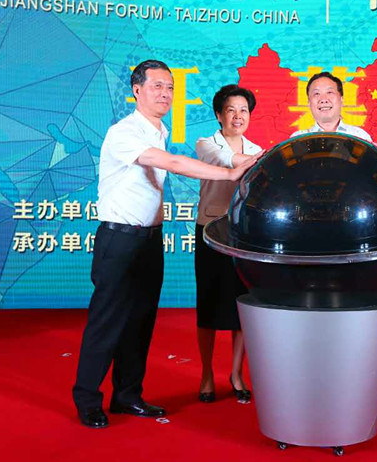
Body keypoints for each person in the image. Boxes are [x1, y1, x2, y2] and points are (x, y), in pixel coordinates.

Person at [72, 60, 258, 429]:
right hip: (119, 239)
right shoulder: (125, 132)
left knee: (141, 321)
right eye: (157, 86)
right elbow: (171, 162)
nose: (165, 93)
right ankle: (88, 399)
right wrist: (228, 173)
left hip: (150, 240)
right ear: (136, 90)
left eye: (170, 87)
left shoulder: (159, 130)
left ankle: (127, 395)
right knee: (108, 321)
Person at [194, 84, 262, 404]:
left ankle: (236, 374)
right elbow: (227, 160)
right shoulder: (206, 144)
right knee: (208, 304)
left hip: (244, 236)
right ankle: (207, 374)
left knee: (242, 305)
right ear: (219, 115)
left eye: (243, 110)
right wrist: (260, 160)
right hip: (210, 231)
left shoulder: (257, 148)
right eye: (231, 110)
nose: (238, 116)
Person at [290, 72, 372, 141]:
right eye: (316, 94)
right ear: (309, 102)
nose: (323, 99)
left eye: (329, 92)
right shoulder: (298, 139)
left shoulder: (360, 136)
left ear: (341, 99)